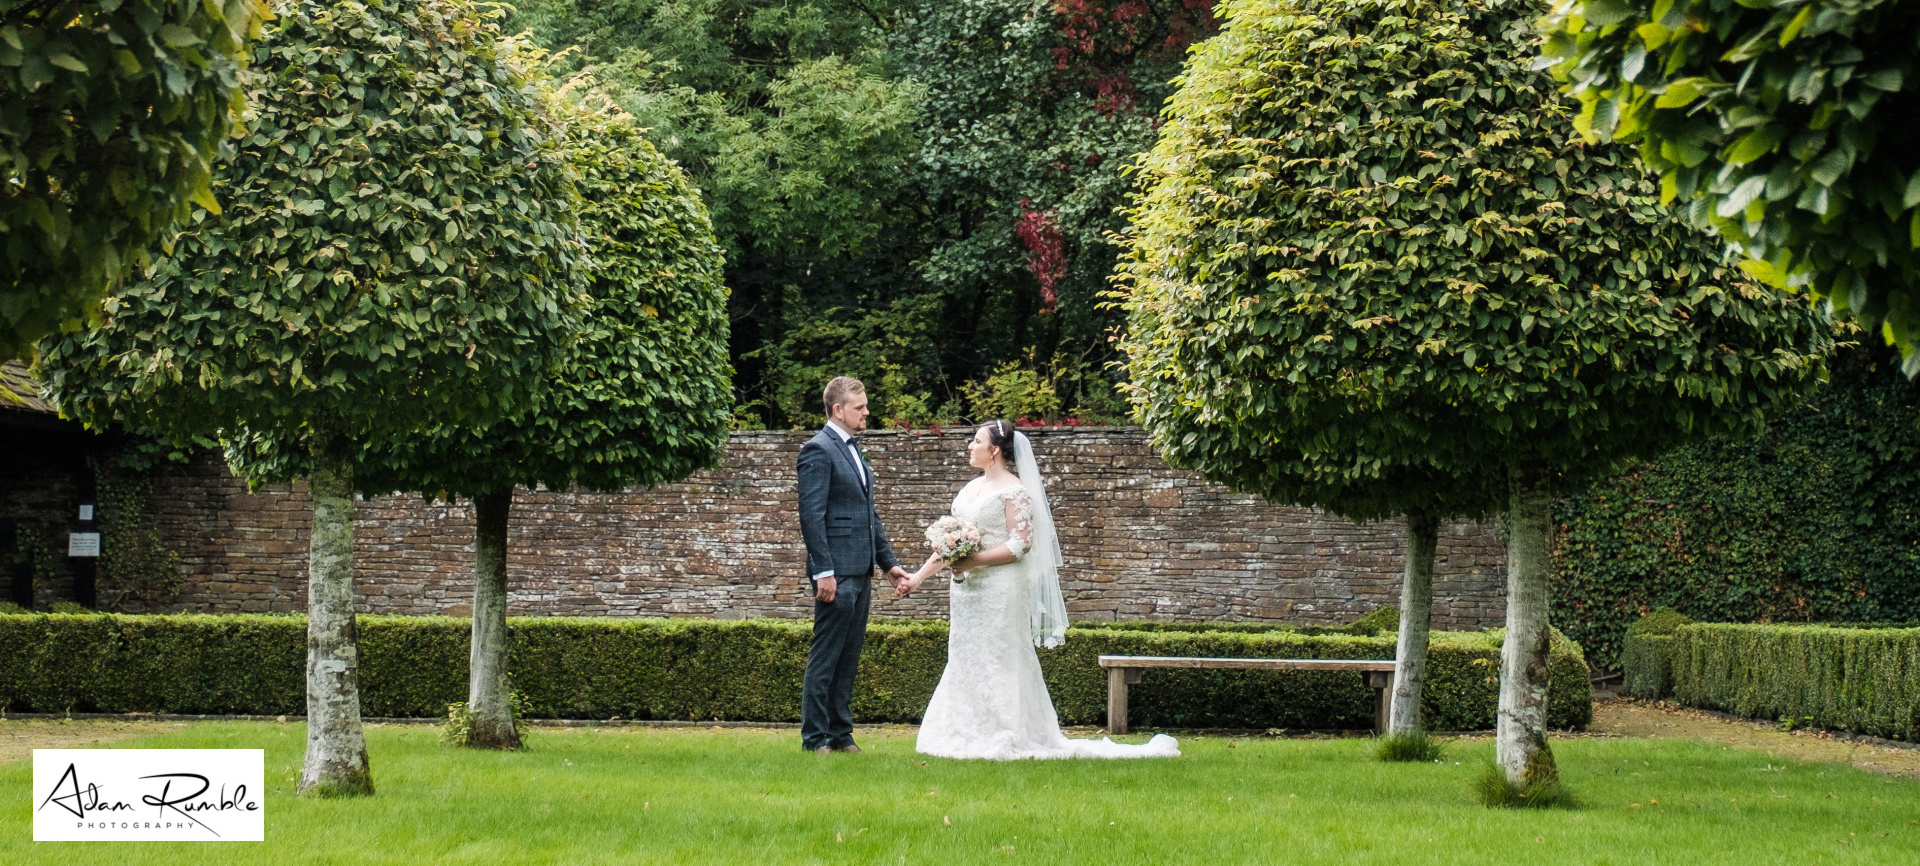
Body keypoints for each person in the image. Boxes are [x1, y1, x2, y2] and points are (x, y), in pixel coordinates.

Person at [896, 421, 1179, 760]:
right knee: (966, 656)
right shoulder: (968, 490)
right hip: (966, 593)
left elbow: (1020, 544)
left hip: (1001, 588)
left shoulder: (1014, 491)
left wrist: (974, 562)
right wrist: (918, 577)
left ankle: (1008, 733)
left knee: (1002, 656)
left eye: (976, 441)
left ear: (995, 450)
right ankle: (963, 731)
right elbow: (950, 545)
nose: (969, 446)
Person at [795, 376, 910, 754]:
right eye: (859, 407)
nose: (866, 412)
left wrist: (889, 565)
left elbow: (867, 515)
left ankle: (841, 736)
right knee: (826, 657)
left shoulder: (852, 450)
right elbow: (812, 516)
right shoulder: (817, 450)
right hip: (836, 574)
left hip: (862, 571)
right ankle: (815, 740)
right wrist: (823, 571)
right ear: (838, 410)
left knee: (848, 659)